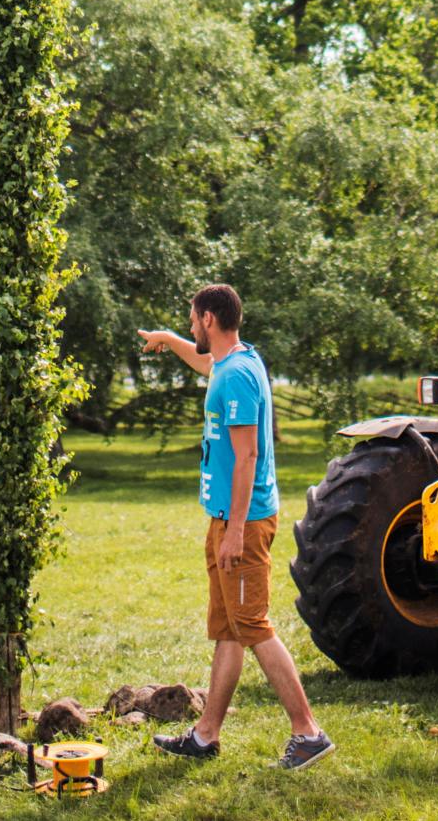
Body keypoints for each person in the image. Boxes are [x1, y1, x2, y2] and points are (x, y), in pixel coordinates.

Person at [139, 283, 333, 771]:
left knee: (253, 626)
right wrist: (167, 339)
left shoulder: (239, 377)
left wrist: (235, 531)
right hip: (225, 519)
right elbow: (206, 364)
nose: (189, 327)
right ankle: (206, 736)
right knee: (228, 628)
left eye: (189, 319)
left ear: (208, 318)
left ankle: (308, 732)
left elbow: (247, 456)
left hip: (241, 523)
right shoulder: (232, 362)